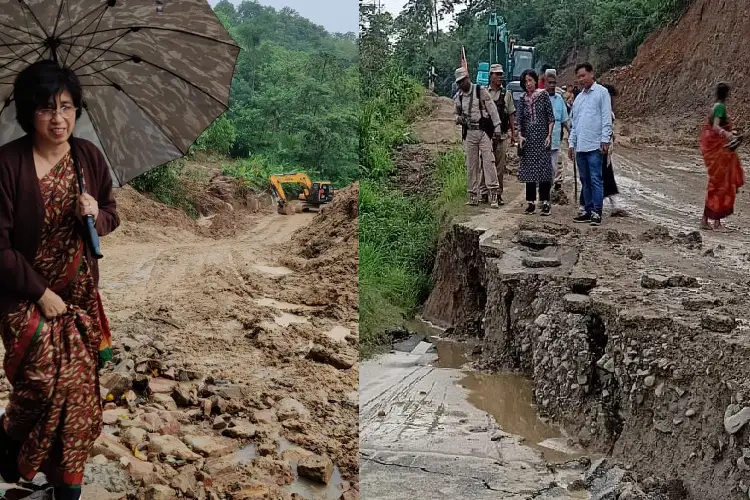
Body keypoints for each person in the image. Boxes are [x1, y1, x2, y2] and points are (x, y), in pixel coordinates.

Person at [0, 60, 119, 499]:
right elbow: (0, 249)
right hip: (20, 295)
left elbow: (111, 213)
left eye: (67, 107)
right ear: (29, 112)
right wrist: (41, 292)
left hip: (79, 292)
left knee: (76, 388)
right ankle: (11, 439)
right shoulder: (7, 165)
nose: (58, 118)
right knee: (39, 384)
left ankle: (65, 486)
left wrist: (96, 215)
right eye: (47, 107)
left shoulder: (88, 156)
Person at [568, 62, 612, 226]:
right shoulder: (579, 98)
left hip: (595, 145)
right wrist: (572, 144)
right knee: (584, 179)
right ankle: (587, 210)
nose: (581, 79)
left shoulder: (602, 93)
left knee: (595, 179)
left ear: (591, 74)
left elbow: (606, 118)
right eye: (578, 77)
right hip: (581, 146)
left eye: (583, 75)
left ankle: (596, 212)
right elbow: (575, 123)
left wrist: (605, 139)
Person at [454, 67, 503, 208]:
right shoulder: (459, 96)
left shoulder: (479, 90)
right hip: (469, 133)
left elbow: (492, 109)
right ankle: (473, 195)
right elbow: (455, 113)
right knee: (471, 164)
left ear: (467, 78)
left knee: (489, 162)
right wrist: (459, 119)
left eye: (463, 81)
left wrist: (497, 127)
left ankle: (493, 194)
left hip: (483, 131)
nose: (461, 84)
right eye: (459, 82)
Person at [699, 82, 744, 231]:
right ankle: (716, 223)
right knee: (721, 185)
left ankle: (705, 220)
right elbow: (716, 126)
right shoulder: (720, 107)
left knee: (716, 184)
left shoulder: (715, 106)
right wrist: (727, 134)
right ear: (727, 94)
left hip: (720, 151)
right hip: (721, 152)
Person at [516, 69, 555, 215]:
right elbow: (519, 120)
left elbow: (551, 118)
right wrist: (520, 136)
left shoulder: (543, 95)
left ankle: (545, 202)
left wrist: (549, 135)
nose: (528, 84)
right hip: (528, 140)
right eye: (525, 82)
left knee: (544, 170)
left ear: (535, 80)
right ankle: (530, 202)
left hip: (542, 138)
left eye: (530, 80)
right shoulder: (522, 99)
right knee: (529, 171)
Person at [478, 64, 516, 206]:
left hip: (502, 135)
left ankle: (497, 193)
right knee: (485, 164)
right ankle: (483, 192)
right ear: (491, 76)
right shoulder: (483, 93)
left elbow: (511, 114)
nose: (500, 77)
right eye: (497, 74)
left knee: (500, 166)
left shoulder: (506, 94)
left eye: (501, 74)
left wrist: (513, 133)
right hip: (486, 135)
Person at [545, 70, 570, 192]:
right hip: (541, 142)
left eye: (554, 83)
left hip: (555, 141)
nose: (552, 85)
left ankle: (546, 196)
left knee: (553, 169)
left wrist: (571, 133)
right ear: (545, 83)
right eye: (550, 83)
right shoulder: (539, 97)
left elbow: (565, 120)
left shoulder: (559, 99)